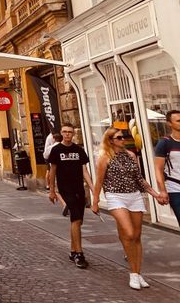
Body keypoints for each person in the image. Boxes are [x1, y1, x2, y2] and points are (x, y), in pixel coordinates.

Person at [92, 127, 165, 290]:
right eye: (119, 137)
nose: (123, 139)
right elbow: (99, 181)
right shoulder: (104, 157)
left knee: (137, 236)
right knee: (129, 233)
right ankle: (133, 274)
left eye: (123, 137)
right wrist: (95, 201)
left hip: (134, 196)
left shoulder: (131, 156)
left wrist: (156, 194)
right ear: (110, 140)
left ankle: (137, 273)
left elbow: (140, 179)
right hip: (115, 196)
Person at [47, 123, 93, 269]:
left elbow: (84, 170)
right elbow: (52, 171)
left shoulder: (78, 150)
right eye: (65, 132)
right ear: (61, 133)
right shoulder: (56, 150)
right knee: (76, 218)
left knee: (77, 222)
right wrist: (52, 190)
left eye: (70, 132)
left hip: (79, 189)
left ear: (73, 134)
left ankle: (73, 251)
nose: (67, 134)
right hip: (66, 190)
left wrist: (93, 189)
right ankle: (79, 254)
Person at [154, 109, 180, 223]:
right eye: (178, 121)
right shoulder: (165, 143)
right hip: (175, 188)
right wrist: (163, 191)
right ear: (169, 123)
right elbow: (158, 169)